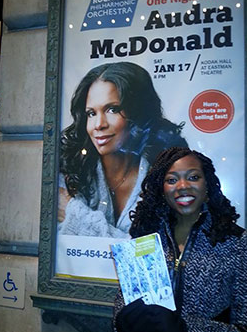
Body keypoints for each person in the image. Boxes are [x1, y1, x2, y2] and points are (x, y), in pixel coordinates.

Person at [113, 147, 247, 332]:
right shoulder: (145, 235)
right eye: (171, 180)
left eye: (193, 177)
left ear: (207, 185)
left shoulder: (235, 242)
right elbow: (124, 301)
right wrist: (122, 325)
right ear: (161, 188)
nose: (183, 186)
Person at [58, 62, 188, 238]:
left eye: (112, 109)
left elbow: (153, 255)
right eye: (91, 113)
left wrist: (73, 214)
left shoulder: (166, 174)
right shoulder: (69, 166)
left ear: (138, 112)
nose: (99, 125)